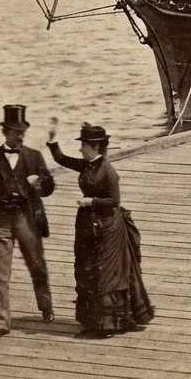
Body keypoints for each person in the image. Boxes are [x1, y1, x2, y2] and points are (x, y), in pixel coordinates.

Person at [47, 123, 154, 337]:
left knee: (104, 275)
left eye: (83, 146)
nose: (80, 150)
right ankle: (92, 321)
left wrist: (91, 202)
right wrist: (52, 142)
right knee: (87, 269)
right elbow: (62, 159)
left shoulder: (108, 170)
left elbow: (115, 201)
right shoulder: (88, 165)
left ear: (95, 147)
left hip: (107, 228)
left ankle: (105, 326)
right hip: (89, 225)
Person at [0, 105, 56, 341]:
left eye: (23, 130)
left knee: (37, 267)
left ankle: (45, 306)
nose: (21, 135)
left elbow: (49, 187)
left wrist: (42, 184)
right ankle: (1, 323)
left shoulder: (34, 156)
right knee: (0, 275)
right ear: (5, 132)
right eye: (16, 131)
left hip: (28, 219)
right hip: (0, 222)